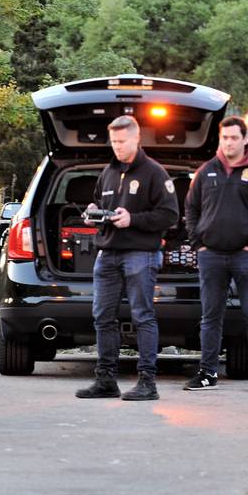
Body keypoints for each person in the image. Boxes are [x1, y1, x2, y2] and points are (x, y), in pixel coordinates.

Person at [75, 115, 179, 401]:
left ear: (136, 138)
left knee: (142, 315)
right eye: (114, 142)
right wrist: (94, 212)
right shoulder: (108, 171)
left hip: (140, 254)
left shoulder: (154, 173)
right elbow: (99, 202)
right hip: (107, 253)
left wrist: (132, 219)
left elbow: (170, 215)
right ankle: (106, 380)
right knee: (102, 317)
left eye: (122, 142)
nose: (118, 147)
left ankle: (148, 382)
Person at [184, 115, 248, 393]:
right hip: (211, 255)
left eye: (234, 138)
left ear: (244, 140)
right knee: (210, 316)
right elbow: (190, 210)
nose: (228, 142)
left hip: (246, 257)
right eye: (224, 137)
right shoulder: (206, 172)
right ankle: (207, 373)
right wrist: (197, 243)